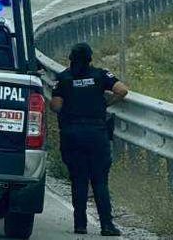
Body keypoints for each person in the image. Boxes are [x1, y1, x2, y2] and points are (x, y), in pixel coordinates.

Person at [50, 42, 129, 236]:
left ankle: (80, 224)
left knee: (78, 179)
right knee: (100, 180)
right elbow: (122, 91)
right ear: (90, 59)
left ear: (71, 59)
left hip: (72, 134)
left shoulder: (64, 79)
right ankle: (107, 226)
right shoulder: (101, 75)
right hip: (96, 133)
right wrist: (105, 102)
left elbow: (56, 106)